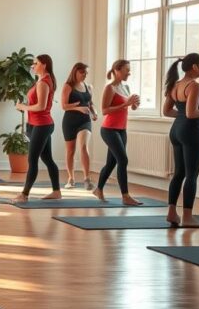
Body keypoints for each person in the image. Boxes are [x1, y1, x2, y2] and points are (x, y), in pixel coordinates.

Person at [163, 53, 199, 227]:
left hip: (176, 130)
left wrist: (181, 115)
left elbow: (167, 111)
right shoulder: (194, 86)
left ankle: (172, 213)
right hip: (190, 131)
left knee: (179, 173)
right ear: (195, 67)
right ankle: (188, 217)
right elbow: (192, 113)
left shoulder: (175, 84)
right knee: (191, 174)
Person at [92, 60, 144, 206]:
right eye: (127, 70)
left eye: (129, 70)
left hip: (121, 129)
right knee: (123, 160)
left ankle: (98, 189)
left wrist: (134, 104)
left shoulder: (125, 87)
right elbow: (104, 110)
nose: (129, 72)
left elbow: (129, 109)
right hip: (109, 130)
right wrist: (125, 104)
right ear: (117, 70)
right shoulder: (110, 88)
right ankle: (125, 196)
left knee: (111, 163)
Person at [13, 54, 61, 203]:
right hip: (38, 124)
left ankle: (24, 195)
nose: (33, 66)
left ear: (44, 64)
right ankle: (56, 191)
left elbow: (41, 106)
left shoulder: (44, 82)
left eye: (35, 63)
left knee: (32, 159)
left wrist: (22, 106)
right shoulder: (41, 80)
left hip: (42, 124)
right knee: (47, 158)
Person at [60, 62, 97, 189]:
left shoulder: (89, 87)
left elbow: (90, 103)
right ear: (75, 72)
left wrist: (94, 112)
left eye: (86, 73)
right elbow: (64, 106)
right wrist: (78, 108)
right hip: (70, 121)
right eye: (82, 72)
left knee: (84, 146)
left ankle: (87, 179)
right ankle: (71, 178)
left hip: (85, 121)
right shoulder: (68, 86)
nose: (85, 75)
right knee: (70, 151)